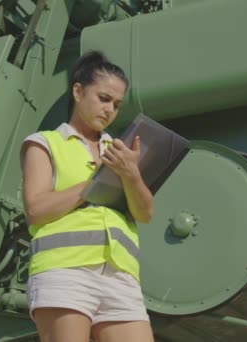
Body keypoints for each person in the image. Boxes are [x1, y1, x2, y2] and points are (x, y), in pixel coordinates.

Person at [20, 50, 154, 342]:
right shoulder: (44, 143)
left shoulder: (121, 153)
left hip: (121, 277)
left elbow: (145, 213)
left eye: (117, 105)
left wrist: (131, 173)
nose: (110, 110)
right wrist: (95, 182)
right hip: (65, 271)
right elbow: (36, 209)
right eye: (104, 99)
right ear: (78, 92)